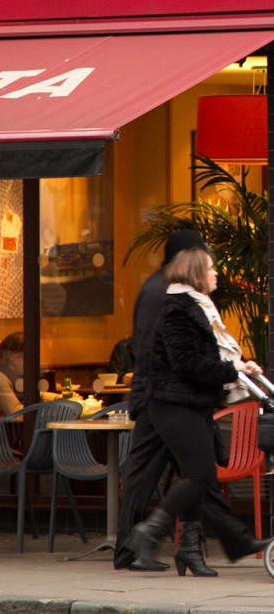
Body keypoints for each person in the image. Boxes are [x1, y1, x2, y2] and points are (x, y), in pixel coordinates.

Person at [114, 229, 268, 571]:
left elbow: (202, 352)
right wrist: (231, 369)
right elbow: (179, 358)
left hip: (183, 399)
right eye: (210, 266)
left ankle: (193, 547)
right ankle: (143, 541)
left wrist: (239, 366)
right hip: (168, 399)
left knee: (198, 476)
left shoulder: (195, 302)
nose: (217, 272)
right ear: (194, 266)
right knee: (190, 476)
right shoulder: (172, 301)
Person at [0, 332, 58, 416]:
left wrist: (55, 398)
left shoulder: (13, 377)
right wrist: (50, 412)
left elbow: (28, 395)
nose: (31, 362)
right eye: (27, 356)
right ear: (11, 356)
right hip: (4, 424)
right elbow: (17, 414)